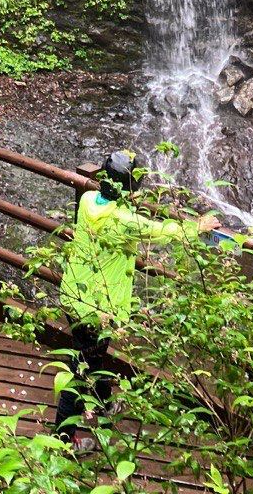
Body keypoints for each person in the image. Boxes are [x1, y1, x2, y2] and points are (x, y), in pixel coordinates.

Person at [53, 149, 220, 453]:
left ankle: (103, 404)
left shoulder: (89, 201)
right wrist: (199, 226)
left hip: (73, 296)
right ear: (130, 187)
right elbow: (162, 231)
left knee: (92, 356)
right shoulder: (122, 221)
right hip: (97, 309)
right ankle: (63, 437)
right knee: (81, 368)